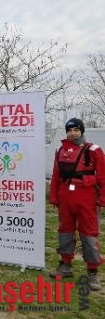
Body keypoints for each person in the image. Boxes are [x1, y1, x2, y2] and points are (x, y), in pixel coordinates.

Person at [49, 118, 105, 290]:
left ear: (82, 131)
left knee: (88, 234)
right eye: (70, 130)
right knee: (65, 231)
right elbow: (56, 176)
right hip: (66, 196)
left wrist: (102, 199)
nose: (73, 133)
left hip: (86, 197)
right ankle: (65, 265)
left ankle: (92, 272)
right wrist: (54, 197)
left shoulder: (94, 150)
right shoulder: (60, 150)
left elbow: (103, 177)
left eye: (76, 130)